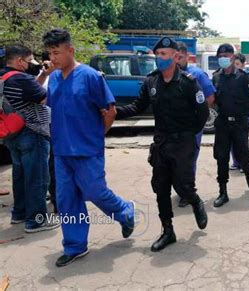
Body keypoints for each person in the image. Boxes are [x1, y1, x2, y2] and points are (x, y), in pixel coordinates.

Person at [43, 29, 135, 267]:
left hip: (87, 149)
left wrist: (96, 136)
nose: (52, 58)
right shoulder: (53, 78)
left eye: (56, 52)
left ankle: (125, 212)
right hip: (62, 151)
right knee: (67, 200)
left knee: (95, 192)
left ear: (70, 50)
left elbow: (110, 111)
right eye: (49, 53)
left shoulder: (90, 76)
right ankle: (75, 246)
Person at [116, 37, 209, 252]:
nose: (159, 59)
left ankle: (195, 201)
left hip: (183, 143)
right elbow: (138, 107)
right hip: (161, 143)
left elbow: (202, 113)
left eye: (164, 54)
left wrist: (189, 136)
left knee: (184, 187)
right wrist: (115, 112)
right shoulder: (151, 82)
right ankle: (168, 231)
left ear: (176, 57)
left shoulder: (188, 82)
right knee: (161, 188)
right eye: (157, 55)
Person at [0, 45, 58, 232]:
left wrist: (43, 75)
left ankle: (20, 213)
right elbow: (45, 98)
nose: (32, 64)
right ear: (19, 61)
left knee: (20, 175)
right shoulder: (21, 78)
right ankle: (36, 220)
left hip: (12, 135)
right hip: (32, 133)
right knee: (38, 177)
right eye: (30, 60)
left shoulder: (4, 77)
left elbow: (30, 92)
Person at [211, 44, 249, 208]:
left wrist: (245, 113)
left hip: (239, 123)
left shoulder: (244, 77)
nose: (224, 57)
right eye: (221, 55)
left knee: (242, 153)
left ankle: (248, 171)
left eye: (227, 54)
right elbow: (214, 98)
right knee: (221, 157)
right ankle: (223, 192)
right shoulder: (216, 77)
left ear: (233, 56)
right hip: (223, 123)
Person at [176, 41, 216, 208]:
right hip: (174, 125)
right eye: (175, 57)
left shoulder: (197, 75)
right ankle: (180, 190)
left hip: (192, 127)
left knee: (189, 158)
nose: (177, 60)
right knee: (174, 159)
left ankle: (188, 193)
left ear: (187, 56)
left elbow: (210, 98)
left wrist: (198, 117)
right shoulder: (168, 75)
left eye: (180, 57)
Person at [230, 53, 249, 172]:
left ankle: (244, 163)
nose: (235, 66)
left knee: (242, 138)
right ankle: (236, 162)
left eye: (237, 64)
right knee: (232, 138)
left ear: (243, 64)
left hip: (244, 114)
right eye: (233, 64)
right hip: (231, 113)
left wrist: (247, 112)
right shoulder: (229, 77)